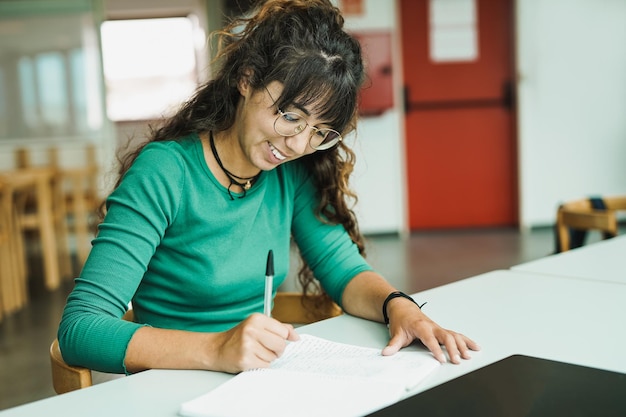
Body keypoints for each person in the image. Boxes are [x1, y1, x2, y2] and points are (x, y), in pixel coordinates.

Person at [58, 0, 479, 375]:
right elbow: (81, 328)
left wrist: (399, 307)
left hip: (254, 384)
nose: (297, 145)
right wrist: (216, 349)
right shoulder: (165, 173)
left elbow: (344, 270)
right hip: (172, 384)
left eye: (320, 131)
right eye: (291, 117)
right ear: (246, 79)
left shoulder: (291, 173)